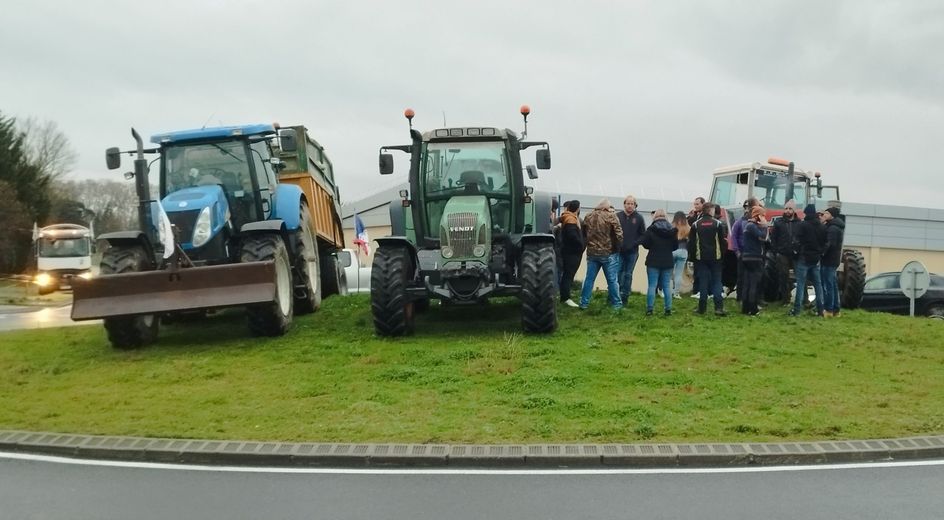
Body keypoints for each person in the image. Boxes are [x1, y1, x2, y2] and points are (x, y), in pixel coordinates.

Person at [579, 198, 623, 310]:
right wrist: (617, 247)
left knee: (589, 279)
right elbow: (619, 235)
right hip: (608, 253)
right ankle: (617, 305)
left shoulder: (588, 216)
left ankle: (584, 303)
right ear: (606, 207)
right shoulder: (611, 216)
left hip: (592, 253)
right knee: (612, 280)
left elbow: (583, 233)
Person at [689, 202, 727, 316]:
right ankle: (718, 308)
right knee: (716, 282)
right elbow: (722, 242)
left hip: (700, 258)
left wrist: (693, 258)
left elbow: (692, 243)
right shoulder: (718, 224)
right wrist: (722, 257)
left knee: (703, 282)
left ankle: (702, 308)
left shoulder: (695, 225)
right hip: (716, 258)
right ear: (710, 210)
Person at [638, 209, 678, 316]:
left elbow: (645, 244)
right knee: (666, 286)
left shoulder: (651, 229)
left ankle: (650, 309)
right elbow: (675, 246)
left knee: (652, 285)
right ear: (666, 217)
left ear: (654, 217)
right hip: (667, 261)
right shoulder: (673, 230)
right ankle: (668, 309)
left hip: (653, 260)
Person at [791, 204, 826, 317]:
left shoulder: (803, 225)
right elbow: (824, 243)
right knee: (818, 285)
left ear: (806, 213)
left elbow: (797, 240)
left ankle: (797, 310)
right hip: (816, 260)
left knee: (801, 284)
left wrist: (796, 251)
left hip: (804, 258)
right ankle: (821, 310)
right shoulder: (822, 226)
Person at [769, 199, 801, 305]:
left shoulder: (799, 223)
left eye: (790, 208)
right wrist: (776, 252)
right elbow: (773, 238)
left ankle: (803, 300)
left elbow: (803, 238)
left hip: (796, 254)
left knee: (801, 277)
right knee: (783, 277)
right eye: (786, 208)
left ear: (794, 210)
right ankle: (785, 299)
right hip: (782, 253)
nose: (787, 211)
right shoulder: (778, 223)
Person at [616, 195, 646, 305]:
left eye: (632, 203)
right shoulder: (617, 216)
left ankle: (625, 297)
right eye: (627, 203)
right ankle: (615, 296)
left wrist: (635, 243)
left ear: (635, 205)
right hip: (619, 251)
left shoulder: (639, 218)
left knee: (628, 274)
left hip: (632, 252)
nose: (629, 205)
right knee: (618, 273)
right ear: (624, 204)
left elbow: (643, 235)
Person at [740, 206, 769, 316]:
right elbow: (763, 237)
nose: (764, 217)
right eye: (762, 215)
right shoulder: (752, 226)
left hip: (747, 257)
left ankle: (745, 308)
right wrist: (765, 226)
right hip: (755, 257)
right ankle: (753, 309)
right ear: (758, 215)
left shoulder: (748, 225)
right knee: (754, 284)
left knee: (747, 283)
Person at [729, 197, 759, 301]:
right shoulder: (738, 222)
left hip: (754, 253)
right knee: (741, 276)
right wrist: (737, 251)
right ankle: (740, 297)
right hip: (742, 253)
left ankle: (754, 298)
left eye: (749, 207)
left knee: (754, 277)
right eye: (745, 207)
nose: (747, 209)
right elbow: (733, 237)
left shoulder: (756, 222)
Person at [558, 200, 585, 308]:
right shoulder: (571, 220)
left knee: (567, 275)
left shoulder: (568, 217)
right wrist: (580, 245)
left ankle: (565, 295)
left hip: (569, 251)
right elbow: (572, 236)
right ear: (578, 208)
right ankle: (565, 298)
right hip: (572, 252)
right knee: (568, 275)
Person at [820, 206, 845, 317]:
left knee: (828, 285)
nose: (824, 215)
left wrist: (821, 253)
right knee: (833, 285)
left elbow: (829, 244)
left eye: (826, 213)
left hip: (829, 260)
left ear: (832, 215)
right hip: (833, 260)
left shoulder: (832, 228)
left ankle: (829, 309)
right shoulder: (835, 226)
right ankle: (836, 309)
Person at [671, 211, 690, 298]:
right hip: (683, 251)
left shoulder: (672, 226)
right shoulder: (688, 228)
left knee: (669, 272)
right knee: (679, 273)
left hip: (673, 250)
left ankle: (666, 291)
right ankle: (676, 293)